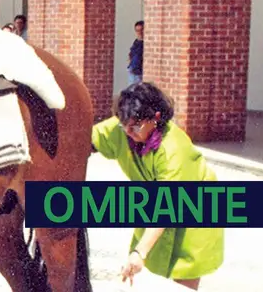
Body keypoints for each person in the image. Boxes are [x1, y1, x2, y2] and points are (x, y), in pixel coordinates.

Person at [92, 82, 224, 290]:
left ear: (156, 118)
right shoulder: (125, 127)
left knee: (183, 281)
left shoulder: (173, 150)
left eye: (134, 126)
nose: (127, 131)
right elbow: (87, 139)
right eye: (123, 124)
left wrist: (140, 252)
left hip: (195, 215)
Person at [127, 20, 144, 84]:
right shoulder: (136, 42)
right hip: (132, 70)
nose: (139, 32)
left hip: (139, 72)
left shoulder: (146, 43)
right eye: (137, 31)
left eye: (141, 30)